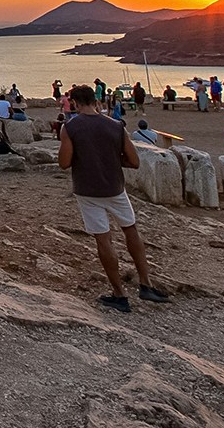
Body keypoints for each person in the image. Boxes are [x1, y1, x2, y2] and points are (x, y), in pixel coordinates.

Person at [57, 85, 170, 312]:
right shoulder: (116, 126)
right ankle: (145, 284)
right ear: (95, 101)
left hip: (87, 190)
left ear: (76, 104)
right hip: (115, 187)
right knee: (131, 230)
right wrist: (111, 159)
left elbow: (64, 163)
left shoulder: (69, 128)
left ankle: (119, 294)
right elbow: (134, 162)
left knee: (103, 239)